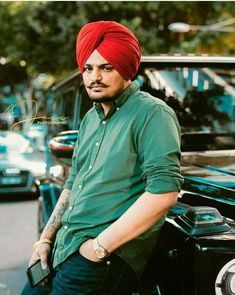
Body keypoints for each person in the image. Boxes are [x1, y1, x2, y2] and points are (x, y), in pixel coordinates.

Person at [22, 21, 183, 295]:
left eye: (106, 67)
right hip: (65, 246)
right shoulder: (90, 119)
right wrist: (45, 239)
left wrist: (98, 248)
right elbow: (73, 182)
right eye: (88, 68)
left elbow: (163, 193)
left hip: (102, 258)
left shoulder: (152, 113)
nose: (94, 76)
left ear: (126, 68)